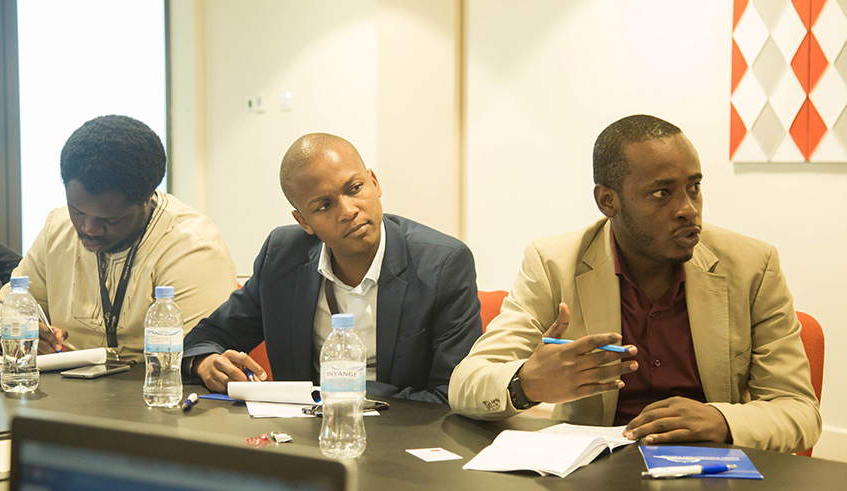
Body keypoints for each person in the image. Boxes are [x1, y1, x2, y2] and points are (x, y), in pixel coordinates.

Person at [448, 115, 820, 453]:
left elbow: (799, 410)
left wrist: (722, 420)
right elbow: (467, 383)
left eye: (694, 188)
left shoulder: (752, 266)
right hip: (597, 471)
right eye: (663, 193)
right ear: (608, 200)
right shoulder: (553, 264)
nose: (688, 208)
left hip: (713, 468)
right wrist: (526, 383)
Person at [183, 133, 482, 403]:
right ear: (303, 221)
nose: (348, 211)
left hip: (403, 441)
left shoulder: (443, 265)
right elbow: (205, 338)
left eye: (354, 188)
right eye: (324, 206)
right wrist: (206, 363)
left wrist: (342, 394)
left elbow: (451, 395)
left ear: (374, 184)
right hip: (305, 441)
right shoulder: (283, 256)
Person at [0, 115, 237, 362]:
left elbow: (197, 354)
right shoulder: (57, 229)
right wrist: (17, 336)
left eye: (110, 220)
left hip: (149, 393)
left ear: (147, 198)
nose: (89, 229)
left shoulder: (193, 248)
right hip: (62, 392)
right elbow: (1, 310)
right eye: (78, 211)